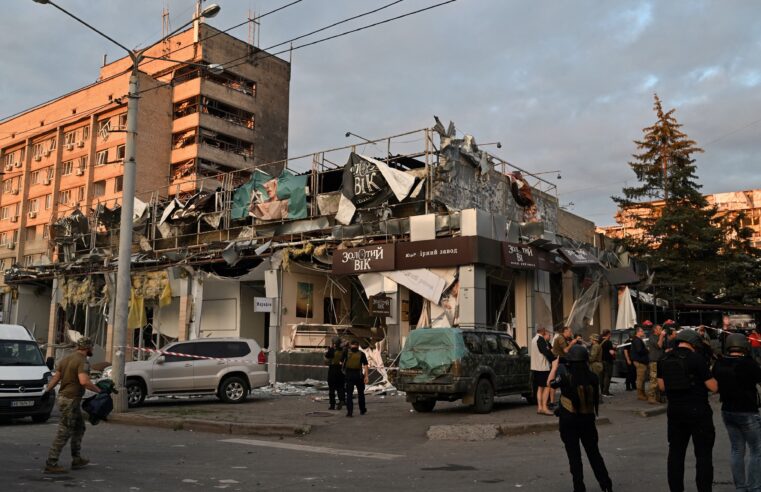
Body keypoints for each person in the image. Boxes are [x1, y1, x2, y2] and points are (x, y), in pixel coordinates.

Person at [657, 330, 718, 492]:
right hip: (698, 410)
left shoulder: (663, 358)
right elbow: (712, 386)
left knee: (676, 454)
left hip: (675, 411)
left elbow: (662, 387)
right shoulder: (696, 359)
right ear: (694, 343)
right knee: (703, 455)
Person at [549, 345, 613, 492]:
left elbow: (550, 384)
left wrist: (554, 368)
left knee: (574, 457)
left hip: (569, 421)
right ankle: (606, 485)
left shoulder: (565, 376)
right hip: (588, 421)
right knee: (594, 454)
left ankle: (579, 487)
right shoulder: (592, 378)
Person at [44, 337, 102, 473]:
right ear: (87, 348)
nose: (92, 349)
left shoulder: (66, 359)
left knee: (79, 427)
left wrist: (47, 390)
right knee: (64, 432)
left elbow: (56, 377)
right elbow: (84, 381)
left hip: (65, 398)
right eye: (92, 347)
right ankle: (51, 463)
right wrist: (100, 391)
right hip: (70, 400)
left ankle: (77, 459)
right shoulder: (82, 361)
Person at [712, 333, 761, 491]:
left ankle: (740, 487)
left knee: (736, 449)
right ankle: (754, 487)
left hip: (727, 411)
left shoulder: (719, 363)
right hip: (747, 411)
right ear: (744, 346)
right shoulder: (748, 363)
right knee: (756, 450)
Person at [530, 327, 554, 415]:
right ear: (543, 332)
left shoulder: (533, 339)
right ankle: (544, 407)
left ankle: (540, 407)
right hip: (543, 367)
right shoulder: (540, 339)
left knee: (539, 388)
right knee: (547, 386)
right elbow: (546, 352)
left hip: (535, 367)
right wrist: (554, 359)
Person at [342, 339, 369, 417]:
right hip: (359, 375)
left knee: (349, 394)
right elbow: (366, 365)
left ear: (351, 345)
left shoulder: (346, 352)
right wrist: (366, 376)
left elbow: (341, 363)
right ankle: (362, 410)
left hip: (349, 375)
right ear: (358, 345)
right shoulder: (361, 354)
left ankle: (349, 412)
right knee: (361, 393)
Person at [324, 337, 346, 411]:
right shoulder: (343, 351)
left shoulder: (332, 351)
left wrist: (330, 349)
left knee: (332, 389)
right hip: (341, 371)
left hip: (333, 370)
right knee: (340, 387)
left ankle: (332, 405)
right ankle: (342, 400)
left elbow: (326, 357)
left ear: (334, 344)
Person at [647, 324, 666, 404]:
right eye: (659, 329)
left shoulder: (659, 337)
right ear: (655, 330)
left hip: (659, 361)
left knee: (659, 380)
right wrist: (661, 336)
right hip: (654, 361)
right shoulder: (652, 337)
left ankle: (658, 397)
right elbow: (659, 345)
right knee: (654, 380)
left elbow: (663, 347)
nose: (661, 330)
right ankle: (651, 398)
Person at [631, 326, 650, 401]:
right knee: (640, 379)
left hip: (641, 361)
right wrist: (647, 350)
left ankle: (642, 393)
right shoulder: (637, 340)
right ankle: (640, 395)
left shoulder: (638, 340)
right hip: (640, 362)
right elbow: (639, 350)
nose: (643, 332)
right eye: (642, 331)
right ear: (638, 332)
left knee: (642, 378)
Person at [600, 330, 616, 396]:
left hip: (601, 361)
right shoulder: (608, 342)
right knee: (607, 376)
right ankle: (605, 392)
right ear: (608, 334)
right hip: (608, 361)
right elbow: (611, 352)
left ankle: (602, 391)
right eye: (610, 334)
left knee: (602, 376)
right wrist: (615, 349)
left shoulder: (599, 341)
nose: (610, 336)